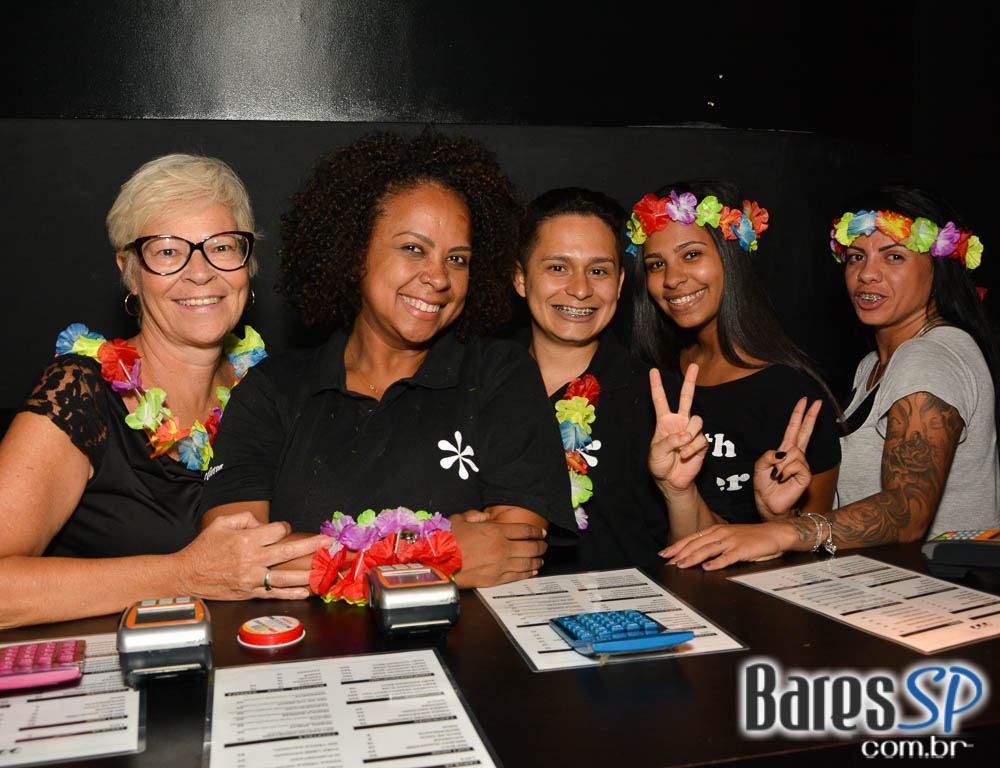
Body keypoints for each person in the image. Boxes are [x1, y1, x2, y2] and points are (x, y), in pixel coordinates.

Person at [201, 131, 576, 587]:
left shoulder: (499, 374)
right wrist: (429, 557)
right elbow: (234, 560)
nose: (438, 277)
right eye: (413, 249)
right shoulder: (273, 388)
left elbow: (511, 553)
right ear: (356, 253)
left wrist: (321, 562)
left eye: (457, 259)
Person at [0, 154, 328, 628]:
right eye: (168, 251)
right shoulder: (80, 392)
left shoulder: (271, 391)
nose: (201, 273)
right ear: (130, 270)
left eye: (222, 246)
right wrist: (183, 574)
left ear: (247, 262)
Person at [663, 185, 1000, 569]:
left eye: (893, 257)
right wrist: (779, 517)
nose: (867, 274)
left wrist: (780, 533)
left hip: (944, 603)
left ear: (938, 269)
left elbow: (907, 512)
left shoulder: (927, 356)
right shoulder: (873, 364)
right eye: (856, 257)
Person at [627, 181, 842, 543]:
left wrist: (779, 519)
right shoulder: (652, 379)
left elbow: (816, 555)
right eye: (655, 264)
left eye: (691, 255)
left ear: (732, 258)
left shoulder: (792, 393)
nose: (673, 279)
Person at [513, 187, 680, 569]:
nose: (581, 289)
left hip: (628, 619)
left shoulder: (659, 398)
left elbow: (693, 555)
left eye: (598, 270)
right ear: (521, 278)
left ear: (619, 284)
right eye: (558, 267)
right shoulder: (478, 381)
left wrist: (679, 491)